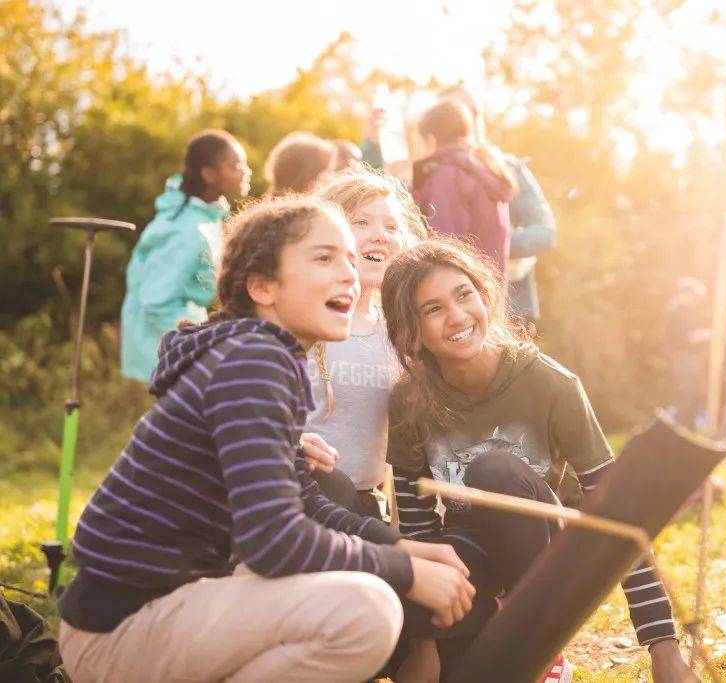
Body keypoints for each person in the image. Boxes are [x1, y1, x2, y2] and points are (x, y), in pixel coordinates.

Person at [58, 196, 475, 683]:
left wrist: (400, 546)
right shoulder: (252, 361)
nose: (349, 269)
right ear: (262, 286)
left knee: (349, 585)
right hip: (120, 631)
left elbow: (303, 501)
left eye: (348, 256)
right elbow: (272, 540)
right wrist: (405, 574)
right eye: (324, 257)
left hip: (139, 612)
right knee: (367, 610)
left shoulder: (254, 352)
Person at [380, 239, 691, 682]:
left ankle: (542, 644)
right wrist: (423, 646)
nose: (457, 316)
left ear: (484, 295)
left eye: (464, 294)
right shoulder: (409, 402)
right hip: (470, 564)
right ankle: (488, 626)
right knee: (389, 619)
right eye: (432, 309)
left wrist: (665, 650)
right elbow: (418, 526)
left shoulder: (552, 386)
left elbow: (620, 518)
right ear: (410, 331)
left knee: (493, 468)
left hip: (547, 564)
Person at [301, 168, 428, 519]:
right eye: (362, 223)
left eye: (391, 227)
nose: (380, 236)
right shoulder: (301, 324)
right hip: (301, 495)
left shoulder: (401, 332)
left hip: (366, 504)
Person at [121, 129, 251, 383]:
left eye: (245, 164)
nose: (245, 171)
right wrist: (206, 337)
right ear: (209, 174)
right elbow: (155, 301)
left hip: (174, 350)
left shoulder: (204, 218)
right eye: (235, 165)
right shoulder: (187, 231)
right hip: (161, 357)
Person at [441, 84, 556, 326]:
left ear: (475, 116)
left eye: (457, 111)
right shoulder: (432, 175)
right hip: (450, 311)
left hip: (510, 308)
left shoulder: (509, 168)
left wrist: (494, 245)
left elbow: (546, 232)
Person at [412, 100, 516, 283]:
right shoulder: (485, 170)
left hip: (457, 298)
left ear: (430, 140)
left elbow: (443, 248)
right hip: (486, 294)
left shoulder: (446, 176)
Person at [662, 276, 709, 429]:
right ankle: (682, 430)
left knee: (694, 394)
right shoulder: (678, 311)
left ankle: (689, 429)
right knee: (687, 395)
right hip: (683, 358)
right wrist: (709, 334)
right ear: (686, 293)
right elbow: (688, 336)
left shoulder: (685, 310)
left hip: (689, 358)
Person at [264, 131, 337, 195]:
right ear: (308, 177)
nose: (331, 176)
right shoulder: (306, 210)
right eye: (328, 170)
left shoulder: (266, 208)